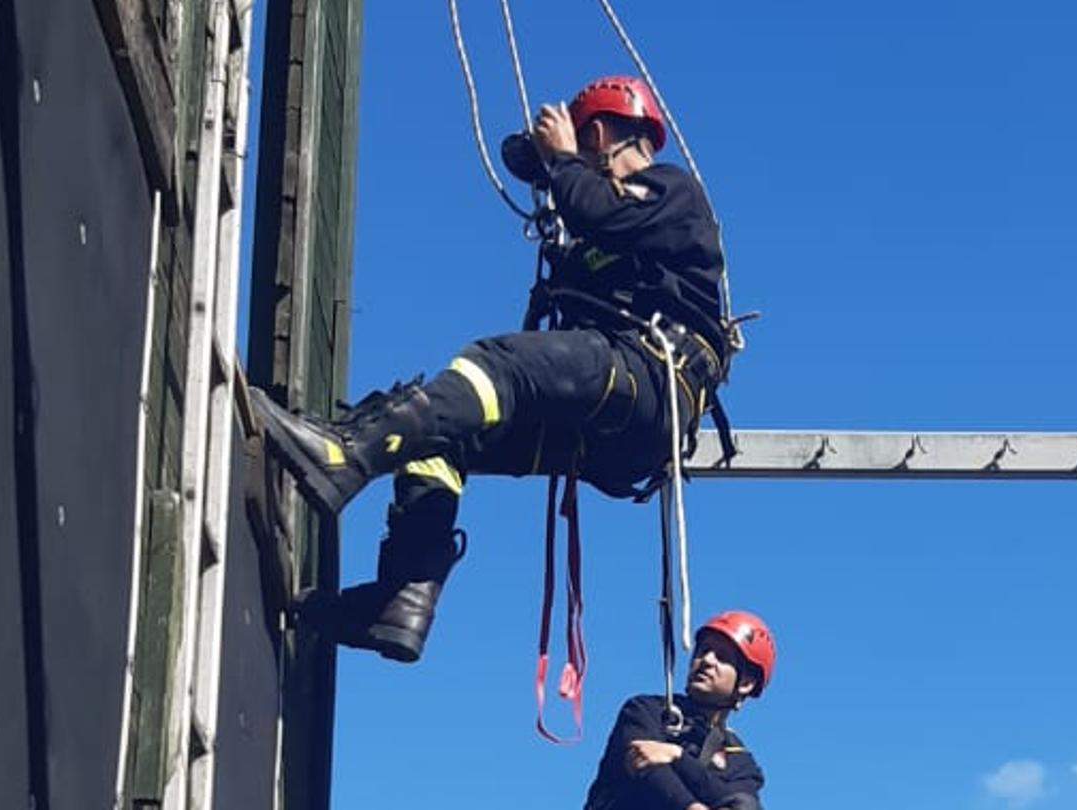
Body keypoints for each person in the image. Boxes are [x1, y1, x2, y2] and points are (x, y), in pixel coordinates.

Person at [248, 75, 730, 662]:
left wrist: (561, 161)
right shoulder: (603, 229)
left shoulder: (672, 192)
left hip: (649, 375)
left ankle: (346, 455)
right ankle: (402, 598)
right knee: (447, 433)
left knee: (492, 365)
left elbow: (597, 213)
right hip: (609, 421)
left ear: (598, 134)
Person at [584, 611, 775, 810]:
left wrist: (677, 756)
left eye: (722, 657)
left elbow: (743, 806)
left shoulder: (740, 763)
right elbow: (646, 765)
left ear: (745, 683)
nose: (707, 660)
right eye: (703, 650)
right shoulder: (646, 711)